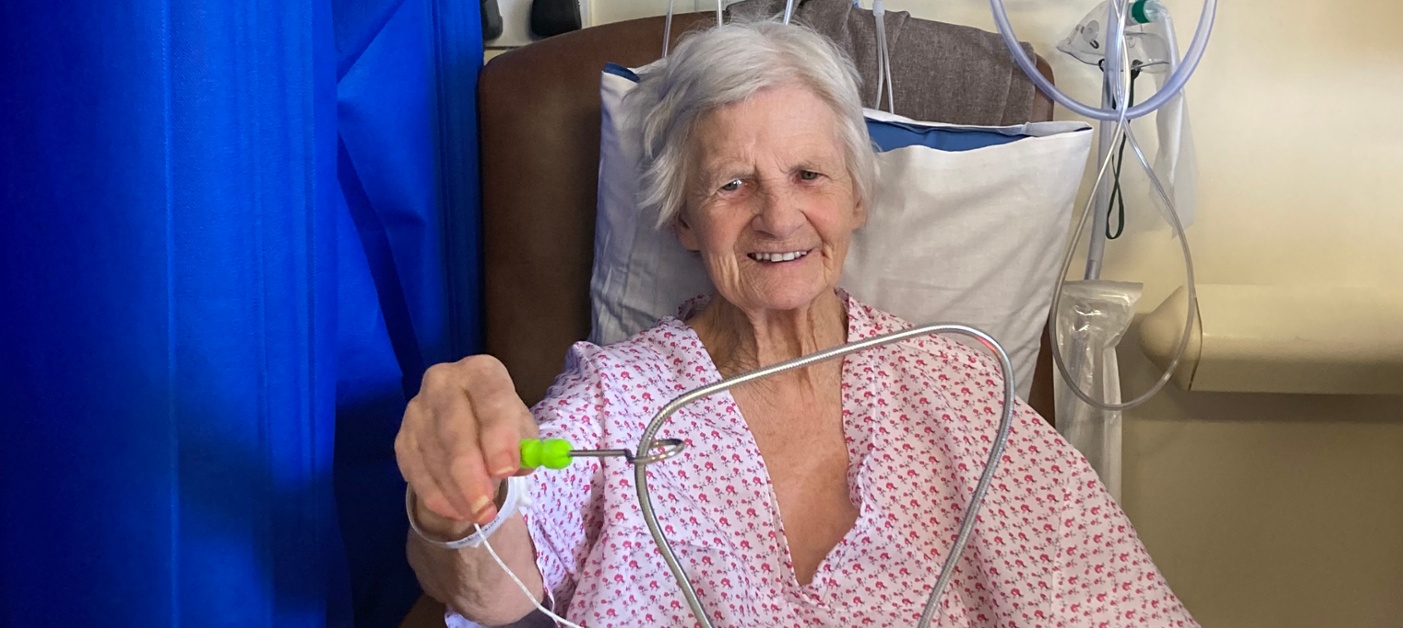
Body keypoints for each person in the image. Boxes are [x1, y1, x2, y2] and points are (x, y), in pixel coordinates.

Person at [397, 20, 1196, 628]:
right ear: (682, 218)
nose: (779, 217)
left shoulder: (956, 386)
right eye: (732, 184)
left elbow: (1111, 596)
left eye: (809, 175)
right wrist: (453, 503)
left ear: (856, 198)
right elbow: (491, 585)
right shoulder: (618, 400)